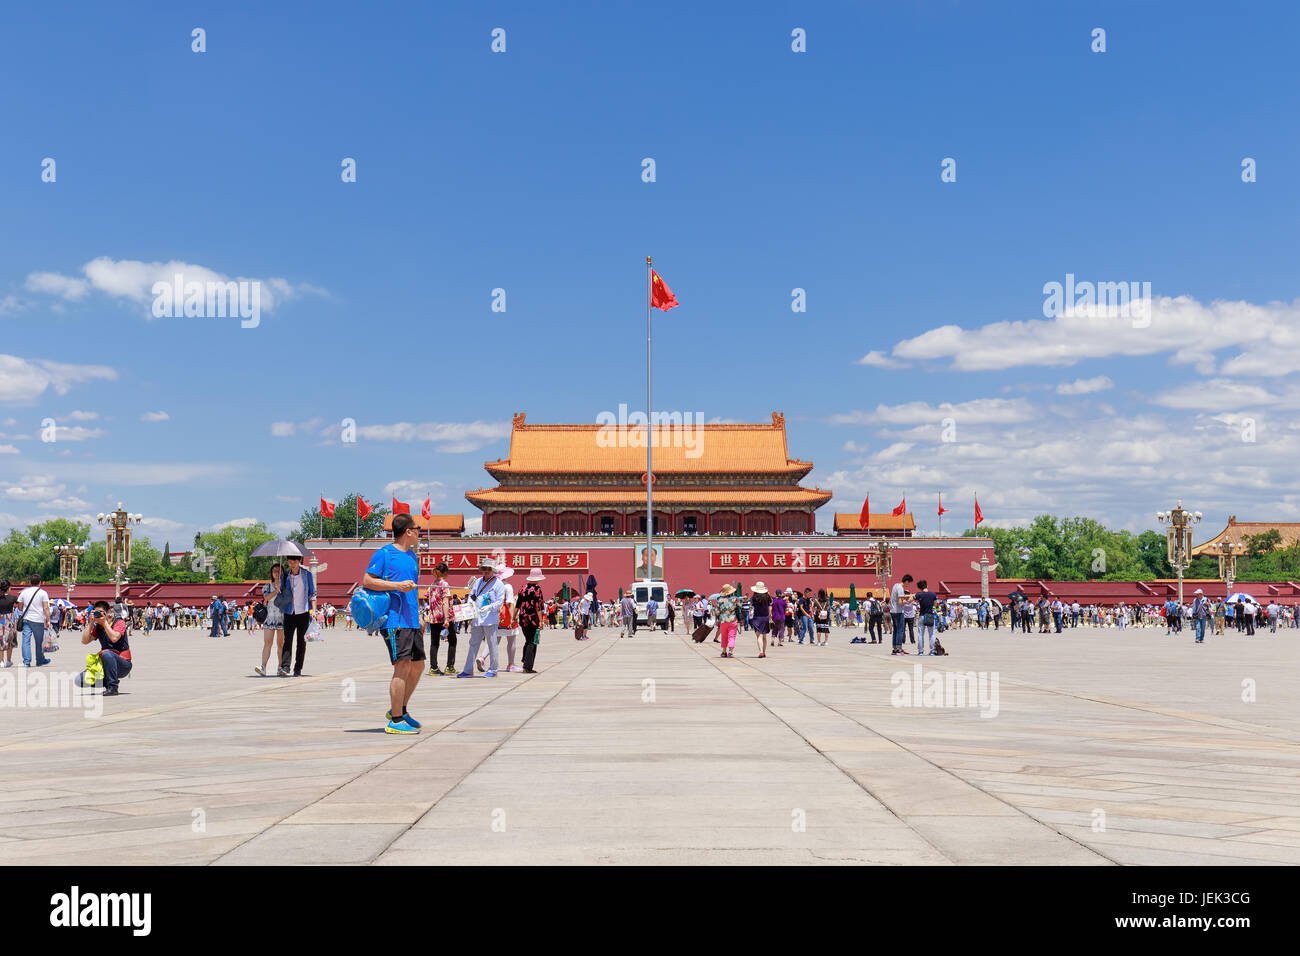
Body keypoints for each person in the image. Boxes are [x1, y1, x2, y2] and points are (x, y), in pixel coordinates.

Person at [363, 512, 425, 733]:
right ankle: (395, 721)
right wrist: (397, 586)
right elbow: (367, 580)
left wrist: (419, 616)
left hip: (411, 619)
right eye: (417, 528)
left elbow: (413, 589)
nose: (419, 532)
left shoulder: (412, 556)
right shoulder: (385, 554)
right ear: (408, 531)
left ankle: (401, 708)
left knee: (417, 666)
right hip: (394, 620)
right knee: (402, 666)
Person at [459, 558, 505, 678]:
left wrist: (489, 608)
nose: (486, 571)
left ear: (492, 570)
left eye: (488, 569)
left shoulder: (499, 584)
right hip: (477, 618)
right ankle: (468, 670)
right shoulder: (478, 582)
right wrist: (470, 604)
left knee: (492, 644)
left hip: (490, 619)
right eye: (484, 569)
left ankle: (493, 669)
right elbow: (472, 595)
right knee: (473, 644)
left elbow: (500, 602)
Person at [275, 553, 317, 677]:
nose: (292, 564)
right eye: (290, 561)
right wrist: (279, 587)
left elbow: (312, 593)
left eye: (294, 561)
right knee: (287, 640)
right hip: (289, 612)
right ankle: (285, 667)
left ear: (299, 561)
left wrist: (313, 610)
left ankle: (298, 668)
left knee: (301, 641)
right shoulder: (285, 576)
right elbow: (282, 594)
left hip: (303, 612)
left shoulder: (306, 575)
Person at [79, 599, 132, 695]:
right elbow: (85, 641)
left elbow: (114, 638)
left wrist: (105, 623)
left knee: (107, 653)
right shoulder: (98, 627)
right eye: (96, 613)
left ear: (109, 612)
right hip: (106, 664)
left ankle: (113, 687)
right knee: (80, 680)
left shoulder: (118, 622)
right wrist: (90, 623)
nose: (99, 615)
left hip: (123, 664)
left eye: (101, 613)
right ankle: (109, 680)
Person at [425, 561, 456, 676]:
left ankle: (433, 667)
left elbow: (428, 598)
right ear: (445, 572)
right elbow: (445, 602)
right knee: (452, 641)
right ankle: (450, 666)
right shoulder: (444, 584)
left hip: (433, 618)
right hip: (443, 618)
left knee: (434, 643)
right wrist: (447, 618)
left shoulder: (432, 585)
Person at [255, 563, 285, 676]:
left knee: (281, 644)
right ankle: (263, 666)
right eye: (274, 571)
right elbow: (267, 598)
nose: (277, 573)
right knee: (267, 643)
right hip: (270, 617)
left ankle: (280, 667)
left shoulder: (287, 586)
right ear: (271, 574)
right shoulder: (267, 587)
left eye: (279, 571)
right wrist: (276, 591)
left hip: (282, 617)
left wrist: (282, 589)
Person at [15, 575, 51, 668]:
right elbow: (46, 607)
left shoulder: (24, 592)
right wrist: (48, 620)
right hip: (38, 620)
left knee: (26, 641)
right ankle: (40, 660)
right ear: (40, 582)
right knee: (39, 642)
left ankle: (26, 662)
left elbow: (19, 606)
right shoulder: (43, 593)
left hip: (26, 619)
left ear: (30, 582)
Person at [517, 569, 546, 672]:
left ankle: (525, 661)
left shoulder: (522, 588)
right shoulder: (537, 589)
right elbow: (538, 607)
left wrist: (513, 618)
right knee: (532, 641)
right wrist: (541, 621)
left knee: (528, 640)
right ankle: (527, 666)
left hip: (523, 618)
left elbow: (518, 604)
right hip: (532, 618)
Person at [890, 574, 912, 655]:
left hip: (893, 611)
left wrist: (909, 595)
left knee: (895, 630)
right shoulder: (900, 588)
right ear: (906, 581)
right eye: (909, 583)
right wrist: (908, 601)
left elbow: (899, 597)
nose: (908, 585)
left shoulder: (895, 585)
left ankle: (895, 648)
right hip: (898, 611)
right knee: (900, 630)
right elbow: (900, 602)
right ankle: (899, 648)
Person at [715, 584, 740, 657]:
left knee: (724, 636)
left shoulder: (719, 600)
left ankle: (723, 652)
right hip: (732, 620)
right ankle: (730, 652)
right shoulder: (735, 599)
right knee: (732, 636)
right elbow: (739, 607)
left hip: (723, 621)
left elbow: (717, 612)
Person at [914, 580, 938, 655]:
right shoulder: (933, 594)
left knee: (920, 634)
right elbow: (935, 605)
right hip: (930, 615)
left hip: (922, 616)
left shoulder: (919, 594)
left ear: (920, 588)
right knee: (932, 634)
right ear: (927, 586)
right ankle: (932, 650)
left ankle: (921, 651)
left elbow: (912, 598)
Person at [750, 581, 771, 657]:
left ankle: (761, 651)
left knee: (759, 636)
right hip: (765, 617)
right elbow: (770, 605)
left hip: (757, 617)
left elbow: (751, 605)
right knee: (764, 636)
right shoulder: (767, 597)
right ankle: (764, 652)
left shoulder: (753, 597)